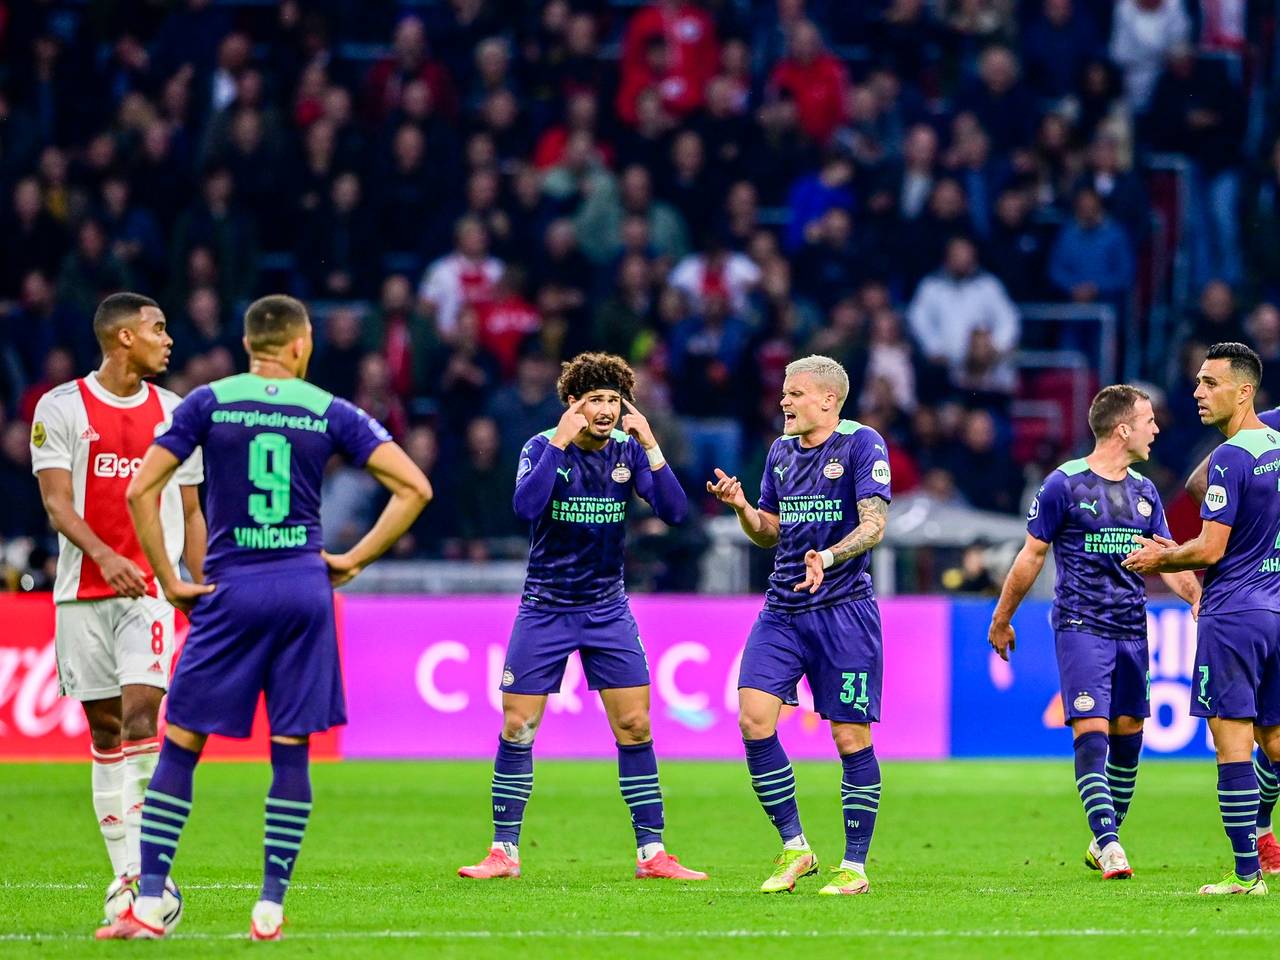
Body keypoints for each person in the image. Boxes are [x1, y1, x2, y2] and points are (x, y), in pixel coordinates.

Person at [97, 295, 431, 939]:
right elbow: (416, 486)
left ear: (251, 344)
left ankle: (151, 901)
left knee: (184, 743)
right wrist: (354, 559)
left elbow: (142, 486)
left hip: (231, 589)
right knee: (291, 751)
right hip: (304, 589)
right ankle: (271, 904)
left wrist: (170, 578)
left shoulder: (208, 401)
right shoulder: (328, 408)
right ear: (301, 345)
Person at [458, 352, 706, 882]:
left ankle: (653, 853)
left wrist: (652, 446)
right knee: (519, 725)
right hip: (546, 606)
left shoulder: (627, 451)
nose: (607, 410)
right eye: (595, 399)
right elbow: (525, 508)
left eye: (614, 400)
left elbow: (676, 513)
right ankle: (503, 852)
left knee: (636, 725)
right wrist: (558, 441)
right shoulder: (541, 447)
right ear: (573, 404)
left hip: (606, 607)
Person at [29, 292, 206, 919]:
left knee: (140, 716)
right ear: (124, 337)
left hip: (149, 594)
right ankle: (126, 872)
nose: (169, 339)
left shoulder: (176, 413)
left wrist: (201, 585)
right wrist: (105, 557)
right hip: (83, 594)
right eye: (159, 329)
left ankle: (145, 873)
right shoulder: (61, 408)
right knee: (105, 731)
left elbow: (189, 508)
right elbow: (57, 504)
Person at [987, 385, 1200, 880]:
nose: (1156, 429)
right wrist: (1002, 617)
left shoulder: (1146, 492)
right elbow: (1030, 557)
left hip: (1132, 626)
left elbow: (1167, 556)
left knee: (1129, 735)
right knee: (1092, 730)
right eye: (1148, 420)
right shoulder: (1064, 485)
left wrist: (1196, 597)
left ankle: (1105, 836)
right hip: (1081, 624)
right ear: (1123, 428)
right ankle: (1109, 844)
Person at [706, 355, 891, 896]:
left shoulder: (862, 444)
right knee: (754, 718)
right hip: (783, 609)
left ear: (828, 400)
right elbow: (769, 530)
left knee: (849, 735)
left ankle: (854, 866)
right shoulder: (780, 452)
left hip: (844, 612)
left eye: (794, 393)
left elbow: (875, 524)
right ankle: (796, 848)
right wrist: (742, 507)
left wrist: (829, 557)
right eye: (783, 393)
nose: (783, 402)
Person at [1124, 342, 1280, 895]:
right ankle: (1262, 841)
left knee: (1231, 743)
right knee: (1277, 744)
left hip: (1234, 613)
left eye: (1210, 384)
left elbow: (1211, 549)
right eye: (1197, 382)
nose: (1196, 393)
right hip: (1278, 605)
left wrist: (1161, 555)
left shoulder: (1234, 458)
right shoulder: (1275, 436)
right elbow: (1200, 487)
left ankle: (1246, 876)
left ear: (1243, 391)